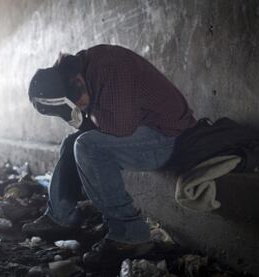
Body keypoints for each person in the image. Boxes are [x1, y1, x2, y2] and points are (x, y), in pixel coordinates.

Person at [24, 44, 196, 265]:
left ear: (76, 83)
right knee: (73, 143)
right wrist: (85, 117)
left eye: (79, 103)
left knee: (87, 146)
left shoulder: (107, 67)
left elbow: (120, 128)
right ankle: (61, 217)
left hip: (168, 137)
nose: (83, 108)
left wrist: (87, 117)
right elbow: (102, 125)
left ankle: (130, 235)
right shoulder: (85, 69)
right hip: (145, 130)